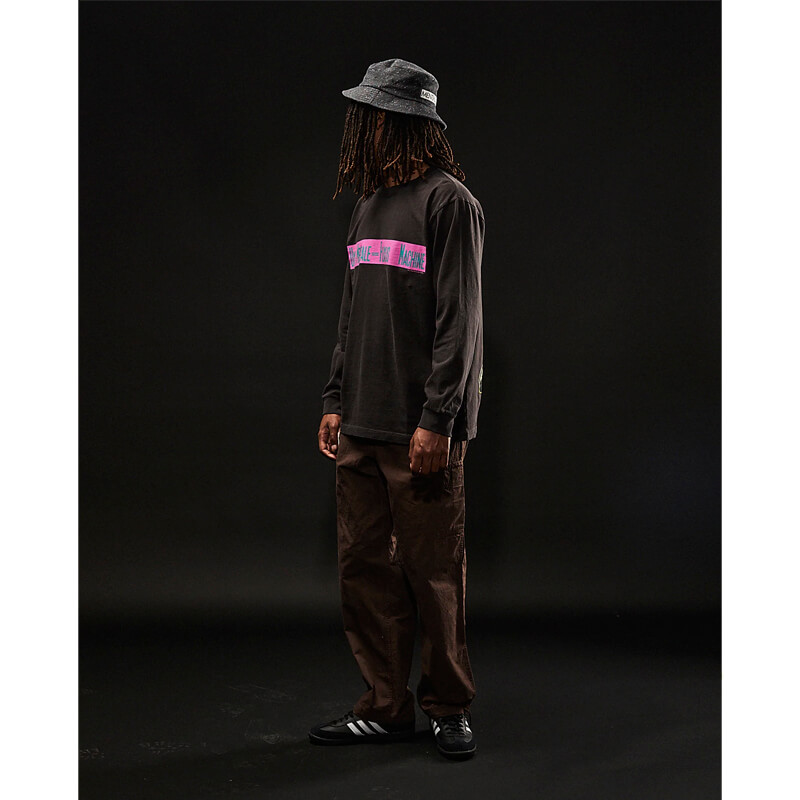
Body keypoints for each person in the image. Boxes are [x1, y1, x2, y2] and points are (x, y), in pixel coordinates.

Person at [308, 58, 485, 761]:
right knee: (364, 571)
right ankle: (385, 707)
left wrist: (438, 420)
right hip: (360, 424)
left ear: (404, 123)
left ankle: (449, 707)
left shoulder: (449, 203)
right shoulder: (368, 204)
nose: (361, 127)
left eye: (372, 116)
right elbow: (351, 313)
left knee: (433, 575)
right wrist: (334, 398)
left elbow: (460, 325)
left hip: (421, 433)